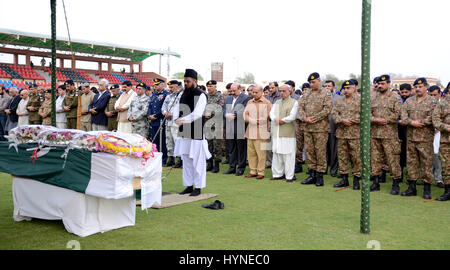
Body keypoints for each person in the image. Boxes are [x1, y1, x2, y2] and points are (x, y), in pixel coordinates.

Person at [174, 69, 212, 196]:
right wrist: (176, 119)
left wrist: (182, 120)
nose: (186, 83)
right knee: (186, 159)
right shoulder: (182, 94)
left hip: (196, 130)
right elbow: (176, 108)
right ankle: (189, 185)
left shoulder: (201, 95)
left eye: (188, 81)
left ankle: (198, 187)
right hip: (184, 130)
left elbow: (197, 113)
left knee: (197, 160)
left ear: (195, 81)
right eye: (184, 81)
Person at [400, 78, 437, 199]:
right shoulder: (409, 101)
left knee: (426, 163)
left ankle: (427, 189)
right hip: (411, 138)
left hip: (425, 138)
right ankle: (412, 187)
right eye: (416, 87)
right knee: (411, 163)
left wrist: (419, 122)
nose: (417, 89)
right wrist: (412, 122)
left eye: (420, 86)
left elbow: (432, 118)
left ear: (426, 87)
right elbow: (403, 117)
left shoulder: (432, 101)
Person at [369, 75, 402, 193]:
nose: (380, 86)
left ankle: (395, 183)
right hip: (374, 134)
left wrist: (386, 120)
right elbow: (367, 112)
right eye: (378, 84)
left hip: (389, 135)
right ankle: (375, 182)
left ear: (388, 84)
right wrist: (374, 119)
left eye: (383, 84)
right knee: (375, 159)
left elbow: (398, 113)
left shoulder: (395, 98)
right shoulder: (372, 97)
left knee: (392, 159)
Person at [298, 73, 332, 186]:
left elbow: (327, 109)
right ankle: (312, 174)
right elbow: (300, 108)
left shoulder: (326, 93)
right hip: (308, 128)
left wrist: (314, 118)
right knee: (309, 152)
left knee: (320, 151)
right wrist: (305, 118)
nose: (312, 84)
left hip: (320, 128)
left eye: (313, 82)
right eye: (310, 83)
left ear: (319, 81)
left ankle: (320, 176)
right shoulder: (306, 94)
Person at [331, 80, 361, 189]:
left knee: (356, 157)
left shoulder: (361, 100)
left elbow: (365, 115)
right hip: (342, 133)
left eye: (349, 88)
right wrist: (342, 120)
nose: (346, 90)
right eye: (345, 88)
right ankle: (344, 179)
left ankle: (357, 179)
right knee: (342, 157)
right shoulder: (339, 100)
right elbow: (334, 113)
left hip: (355, 133)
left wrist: (352, 120)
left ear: (354, 88)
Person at [269, 84, 299, 182]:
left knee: (288, 154)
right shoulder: (277, 102)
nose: (282, 93)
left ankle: (289, 176)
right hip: (276, 131)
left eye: (284, 91)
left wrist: (283, 120)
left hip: (288, 133)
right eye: (281, 91)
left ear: (290, 91)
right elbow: (271, 113)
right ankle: (277, 174)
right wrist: (275, 119)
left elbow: (292, 116)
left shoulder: (294, 102)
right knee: (277, 153)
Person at [222, 83, 251, 176]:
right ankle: (232, 167)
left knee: (241, 148)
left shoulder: (246, 98)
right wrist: (225, 114)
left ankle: (241, 168)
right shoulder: (228, 98)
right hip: (229, 126)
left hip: (240, 126)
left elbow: (244, 110)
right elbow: (223, 109)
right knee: (231, 148)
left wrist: (233, 115)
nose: (232, 92)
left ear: (240, 89)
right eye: (231, 91)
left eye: (234, 91)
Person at [243, 85, 271, 179]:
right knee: (251, 153)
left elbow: (265, 117)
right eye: (253, 92)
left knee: (261, 154)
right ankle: (252, 171)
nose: (254, 94)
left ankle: (261, 172)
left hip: (261, 132)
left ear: (261, 92)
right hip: (250, 131)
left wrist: (252, 120)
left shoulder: (267, 102)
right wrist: (252, 120)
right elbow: (245, 115)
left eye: (256, 92)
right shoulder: (249, 102)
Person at [432, 88, 450, 201]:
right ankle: (448, 191)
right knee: (446, 167)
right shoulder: (442, 103)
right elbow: (436, 120)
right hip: (446, 141)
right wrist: (447, 127)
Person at [203, 80, 225, 173]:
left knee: (217, 144)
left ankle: (216, 165)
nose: (209, 88)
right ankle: (210, 163)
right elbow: (201, 107)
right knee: (209, 144)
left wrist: (210, 113)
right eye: (208, 86)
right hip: (207, 123)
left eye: (211, 86)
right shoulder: (205, 96)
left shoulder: (220, 96)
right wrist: (205, 113)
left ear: (215, 87)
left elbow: (220, 107)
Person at [148, 78, 169, 165]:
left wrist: (156, 116)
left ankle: (163, 159)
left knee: (162, 141)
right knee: (155, 140)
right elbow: (150, 106)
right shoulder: (153, 95)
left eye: (157, 85)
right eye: (154, 85)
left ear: (162, 85)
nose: (155, 86)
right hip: (153, 121)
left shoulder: (166, 95)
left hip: (160, 120)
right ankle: (155, 158)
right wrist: (150, 115)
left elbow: (164, 108)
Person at [162, 80, 184, 168]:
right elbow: (164, 106)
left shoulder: (182, 95)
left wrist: (173, 114)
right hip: (168, 121)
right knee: (169, 141)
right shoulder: (169, 96)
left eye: (172, 87)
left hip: (177, 122)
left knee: (178, 141)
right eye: (169, 87)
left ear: (177, 86)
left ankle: (180, 159)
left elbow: (182, 108)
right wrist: (165, 113)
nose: (170, 89)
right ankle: (171, 158)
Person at [428, 85, 444, 188]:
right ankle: (427, 178)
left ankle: (439, 179)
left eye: (435, 95)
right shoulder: (426, 104)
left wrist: (438, 127)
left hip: (440, 133)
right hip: (427, 133)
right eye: (431, 95)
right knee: (429, 156)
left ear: (439, 94)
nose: (433, 97)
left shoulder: (443, 104)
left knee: (438, 156)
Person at [324, 79, 340, 177]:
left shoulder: (338, 98)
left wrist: (338, 127)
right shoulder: (321, 97)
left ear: (334, 87)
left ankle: (333, 170)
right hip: (322, 128)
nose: (327, 88)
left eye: (329, 86)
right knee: (323, 150)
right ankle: (323, 169)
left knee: (334, 150)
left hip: (334, 127)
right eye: (325, 86)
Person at [398, 83, 412, 182]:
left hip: (410, 130)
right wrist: (399, 121)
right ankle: (400, 174)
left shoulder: (412, 101)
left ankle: (410, 176)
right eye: (402, 92)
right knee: (400, 153)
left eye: (406, 92)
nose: (404, 94)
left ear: (410, 92)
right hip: (399, 129)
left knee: (410, 155)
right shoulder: (397, 101)